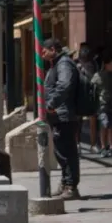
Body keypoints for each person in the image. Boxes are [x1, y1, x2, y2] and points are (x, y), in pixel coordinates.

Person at [44, 38, 81, 199]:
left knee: (66, 151)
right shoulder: (57, 64)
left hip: (63, 115)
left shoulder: (64, 64)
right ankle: (66, 183)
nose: (42, 54)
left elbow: (64, 85)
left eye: (44, 50)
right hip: (59, 115)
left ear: (53, 49)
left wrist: (52, 103)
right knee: (61, 151)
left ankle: (70, 186)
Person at [91, 49, 112, 158]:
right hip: (103, 104)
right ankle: (103, 147)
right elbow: (92, 87)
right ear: (106, 64)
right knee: (105, 125)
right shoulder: (99, 75)